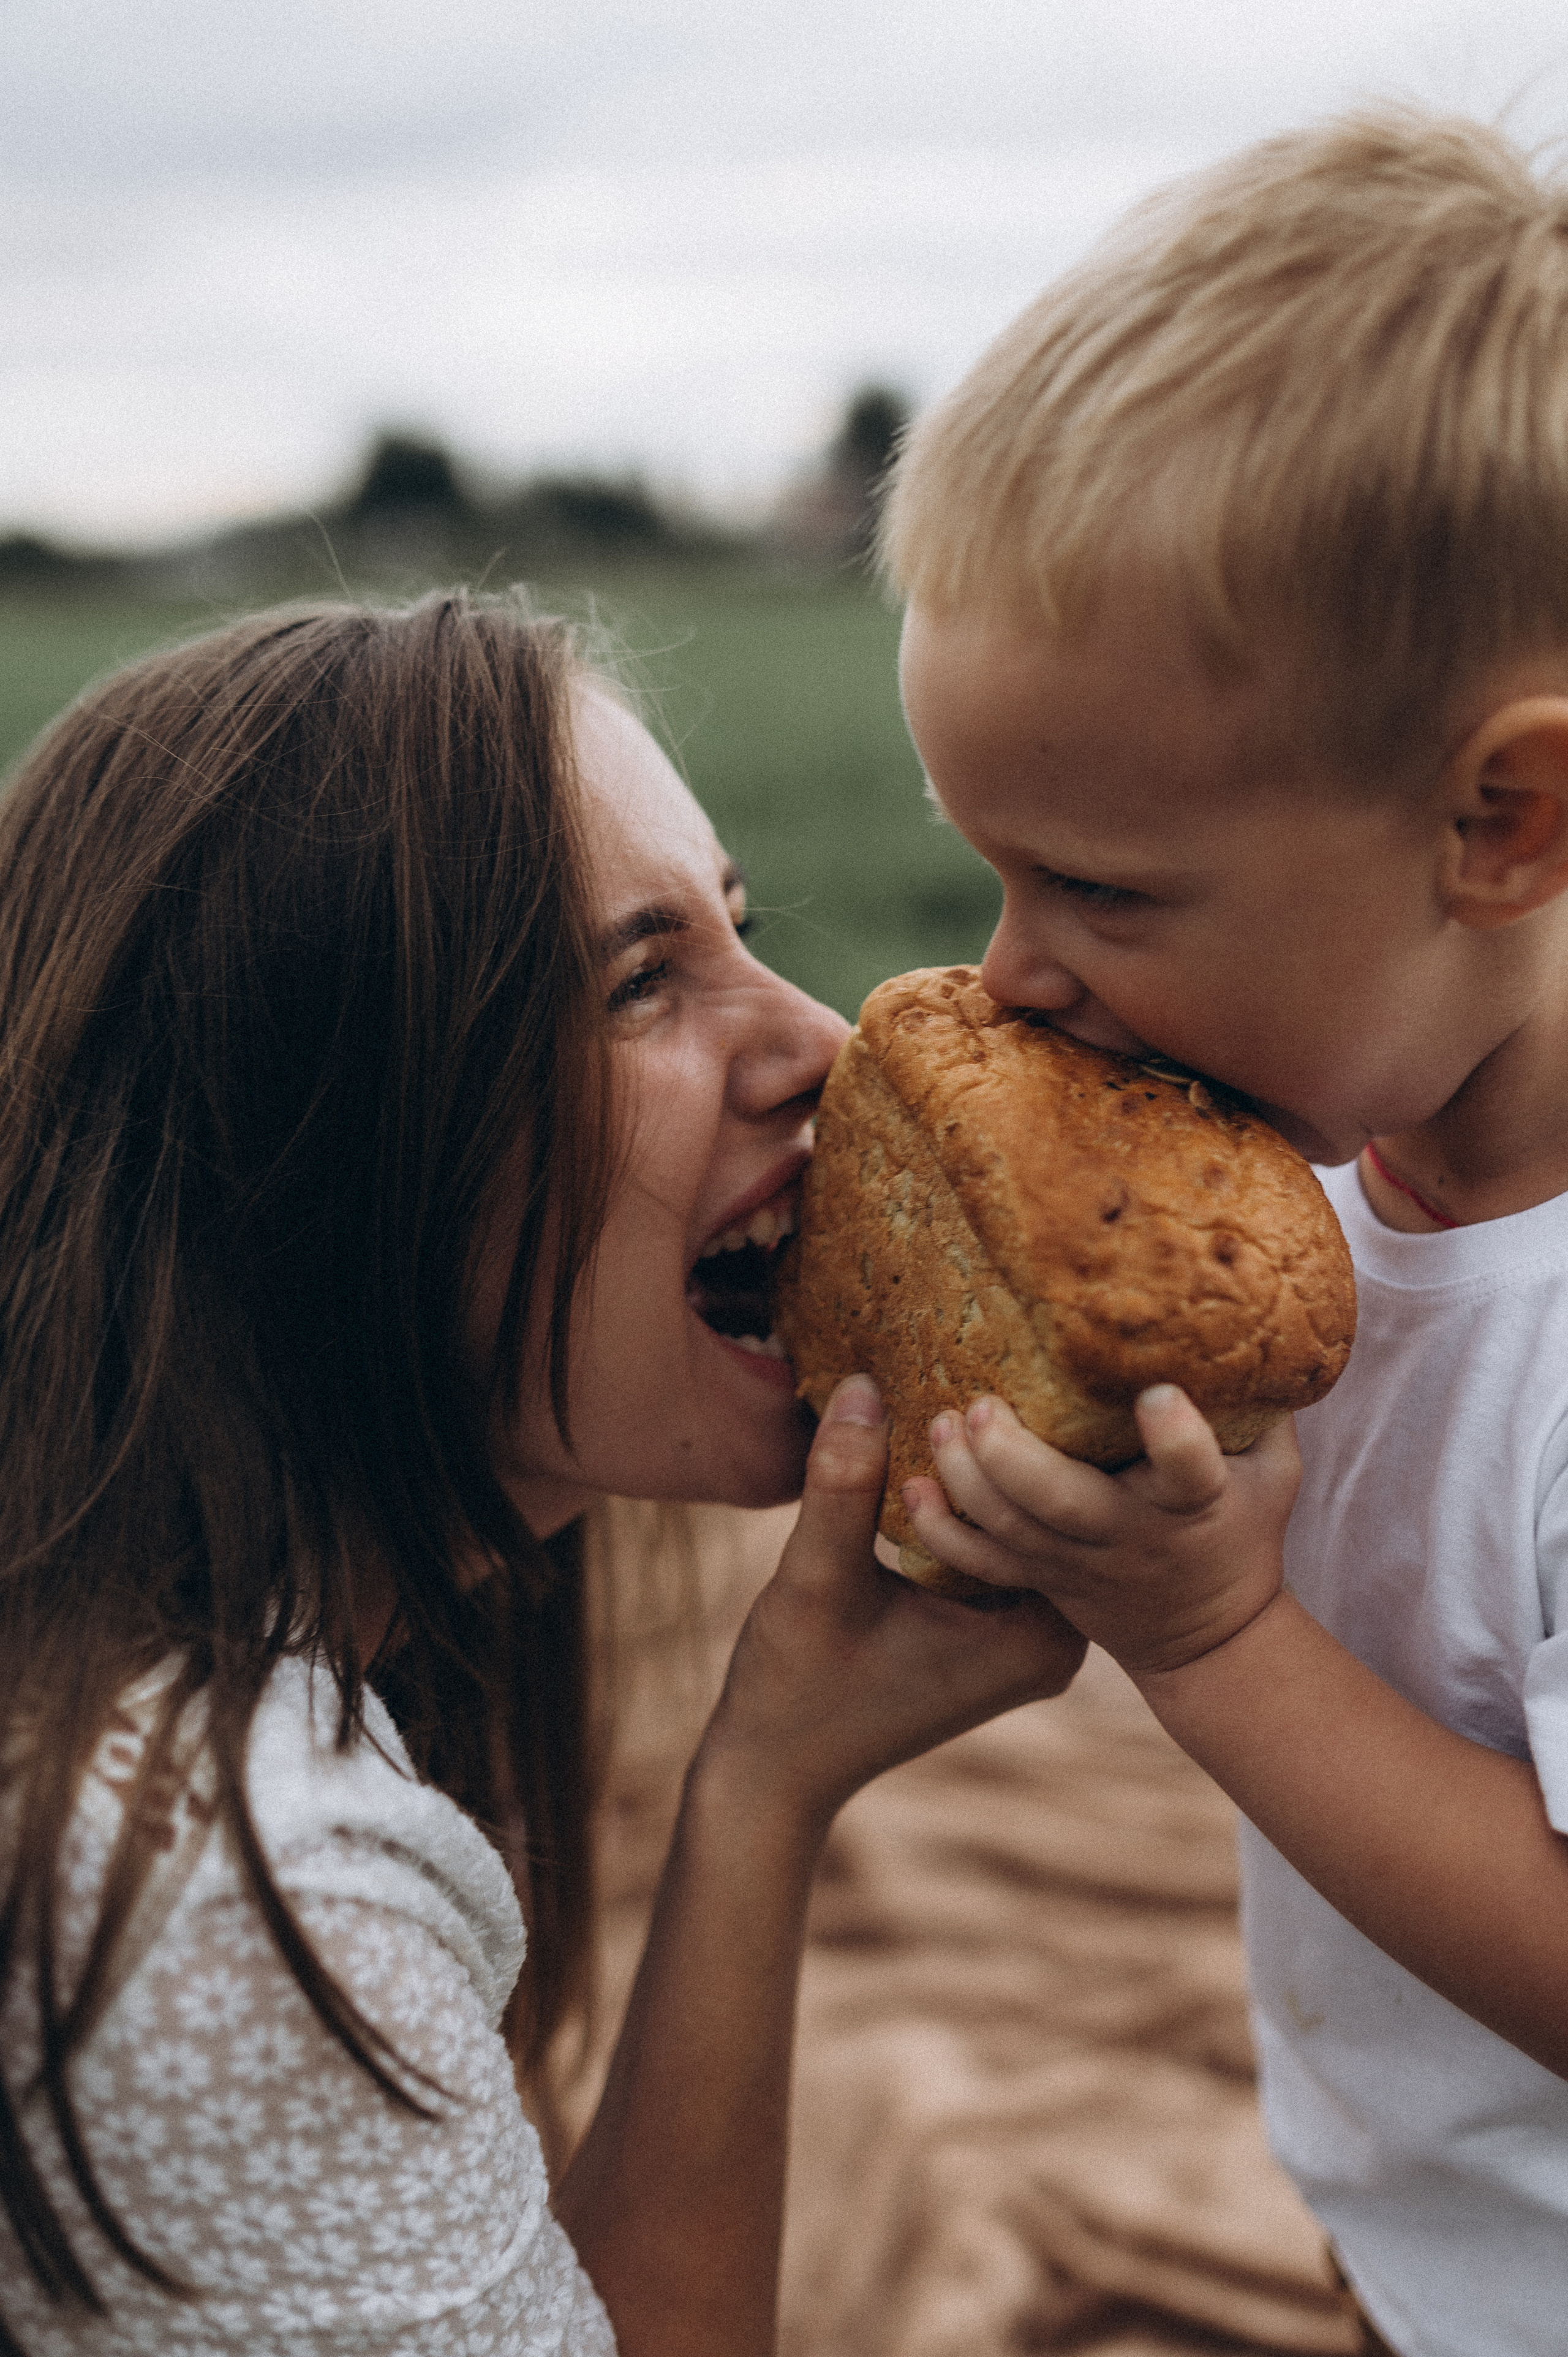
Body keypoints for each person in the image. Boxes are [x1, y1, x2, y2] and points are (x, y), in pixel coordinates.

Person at [0, 594, 1084, 2357]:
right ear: (327, 1144)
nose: (828, 1040)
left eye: (740, 930)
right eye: (640, 981)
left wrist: (771, 1776)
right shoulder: (232, 1897)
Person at [878, 108, 1568, 2357]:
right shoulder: (1322, 1178)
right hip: (1410, 2246)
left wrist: (1210, 1644)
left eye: (1102, 889)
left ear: (1506, 822)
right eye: (993, 871)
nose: (1006, 979)